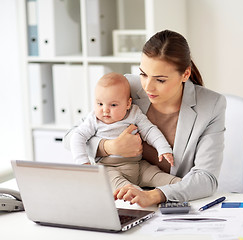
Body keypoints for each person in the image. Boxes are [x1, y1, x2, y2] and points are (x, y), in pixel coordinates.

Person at [64, 29, 226, 208]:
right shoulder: (126, 87)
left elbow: (207, 179)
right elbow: (70, 137)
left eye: (160, 80)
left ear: (185, 75)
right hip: (122, 199)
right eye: (143, 74)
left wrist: (153, 196)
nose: (148, 87)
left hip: (170, 201)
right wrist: (109, 147)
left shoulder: (211, 105)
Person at [70, 72, 181, 191]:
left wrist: (163, 148)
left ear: (128, 104)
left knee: (165, 178)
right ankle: (135, 193)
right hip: (109, 168)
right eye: (100, 104)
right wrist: (83, 164)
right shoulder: (93, 119)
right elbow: (77, 136)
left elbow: (150, 130)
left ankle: (183, 185)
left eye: (113, 105)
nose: (105, 110)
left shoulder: (134, 113)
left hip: (138, 166)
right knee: (121, 186)